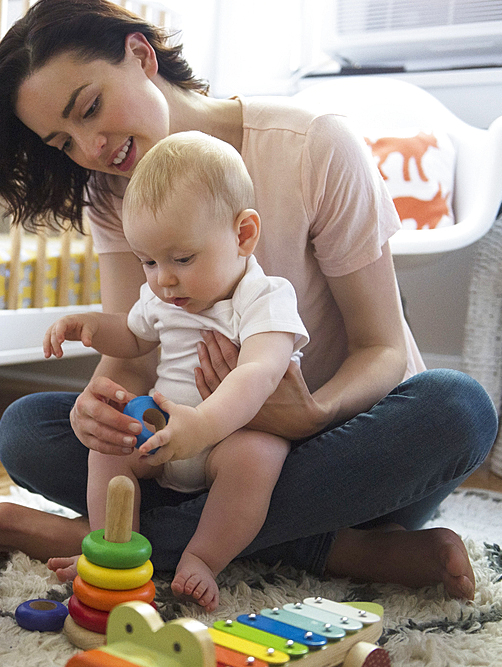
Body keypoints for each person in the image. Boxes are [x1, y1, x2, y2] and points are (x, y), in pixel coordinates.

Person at [0, 0, 497, 603]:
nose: (91, 147)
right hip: (194, 447)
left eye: (90, 108)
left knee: (460, 408)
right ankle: (339, 551)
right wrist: (100, 408)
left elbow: (382, 348)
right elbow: (136, 349)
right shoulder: (112, 194)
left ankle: (95, 536)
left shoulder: (312, 146)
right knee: (25, 428)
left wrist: (310, 415)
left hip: (341, 449)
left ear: (141, 55)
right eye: (64, 142)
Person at [43, 130, 310, 611]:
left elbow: (259, 372)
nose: (163, 279)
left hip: (228, 439)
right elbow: (132, 337)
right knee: (105, 449)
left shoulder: (266, 297)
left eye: (182, 259)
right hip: (162, 437)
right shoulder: (164, 295)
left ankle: (202, 557)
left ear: (243, 235)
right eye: (147, 261)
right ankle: (112, 547)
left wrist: (204, 425)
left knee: (258, 457)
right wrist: (90, 326)